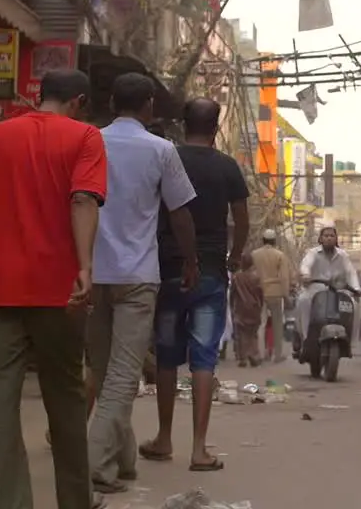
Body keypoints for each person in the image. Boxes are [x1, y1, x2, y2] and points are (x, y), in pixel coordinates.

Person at [0, 68, 107, 509]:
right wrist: (85, 268)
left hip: (2, 289)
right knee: (66, 395)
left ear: (41, 95)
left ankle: (8, 500)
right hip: (60, 290)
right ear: (78, 101)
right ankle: (75, 500)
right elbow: (82, 200)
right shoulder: (86, 138)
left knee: (1, 391)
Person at [85, 73, 199, 494]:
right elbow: (180, 214)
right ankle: (95, 464)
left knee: (103, 369)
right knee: (120, 375)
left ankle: (124, 459)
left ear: (112, 101)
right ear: (149, 106)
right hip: (136, 276)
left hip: (91, 272)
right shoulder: (161, 149)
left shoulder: (89, 141)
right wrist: (191, 261)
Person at [139, 98, 249, 473]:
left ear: (183, 125)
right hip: (211, 274)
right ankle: (199, 449)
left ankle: (164, 437)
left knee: (167, 356)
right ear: (216, 127)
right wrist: (234, 256)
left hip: (168, 268)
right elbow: (242, 219)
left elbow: (153, 209)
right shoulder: (228, 167)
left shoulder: (168, 158)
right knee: (204, 359)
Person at [295, 224, 361, 349]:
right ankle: (305, 338)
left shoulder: (343, 255)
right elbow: (306, 265)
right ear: (320, 239)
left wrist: (357, 289)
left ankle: (351, 342)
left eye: (332, 236)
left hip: (339, 290)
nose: (329, 238)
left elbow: (350, 272)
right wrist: (306, 275)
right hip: (315, 289)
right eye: (326, 236)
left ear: (336, 239)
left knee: (355, 304)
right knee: (303, 300)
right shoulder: (313, 253)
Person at [251, 229, 291, 362]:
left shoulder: (254, 255)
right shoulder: (280, 255)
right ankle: (277, 355)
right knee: (277, 324)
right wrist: (286, 295)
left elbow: (251, 273)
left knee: (260, 324)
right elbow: (284, 278)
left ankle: (260, 354)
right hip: (275, 292)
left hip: (258, 291)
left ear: (263, 240)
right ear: (275, 241)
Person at [230, 252, 265, 367]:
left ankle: (243, 358)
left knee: (241, 334)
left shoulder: (237, 277)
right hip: (254, 308)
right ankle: (254, 354)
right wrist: (260, 306)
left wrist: (231, 306)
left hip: (241, 308)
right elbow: (261, 294)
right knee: (253, 333)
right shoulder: (256, 277)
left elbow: (233, 293)